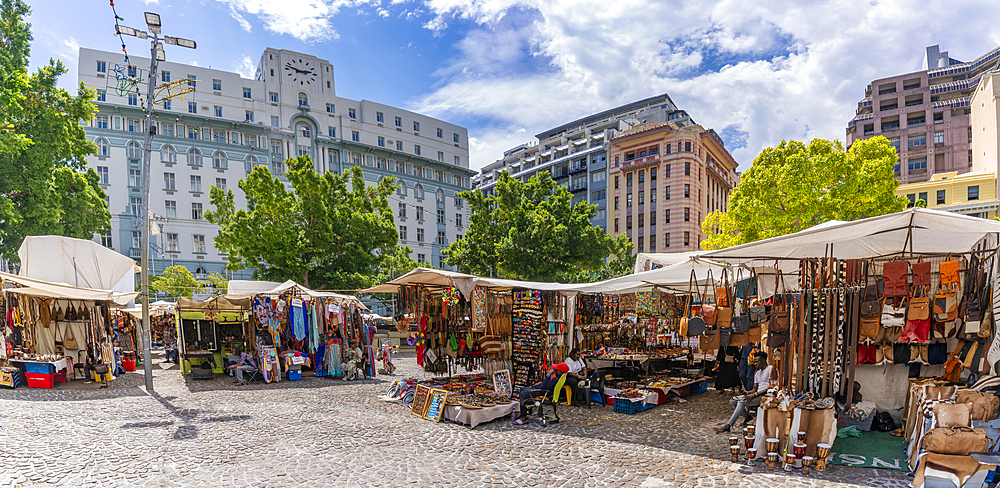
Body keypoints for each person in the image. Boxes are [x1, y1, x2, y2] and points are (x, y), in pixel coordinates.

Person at [714, 351, 776, 433]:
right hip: (757, 395)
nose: (755, 363)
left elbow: (771, 386)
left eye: (757, 361)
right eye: (755, 361)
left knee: (741, 402)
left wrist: (755, 394)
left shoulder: (770, 369)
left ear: (764, 360)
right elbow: (754, 388)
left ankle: (728, 425)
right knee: (733, 400)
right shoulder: (757, 373)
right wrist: (746, 392)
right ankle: (747, 416)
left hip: (766, 396)